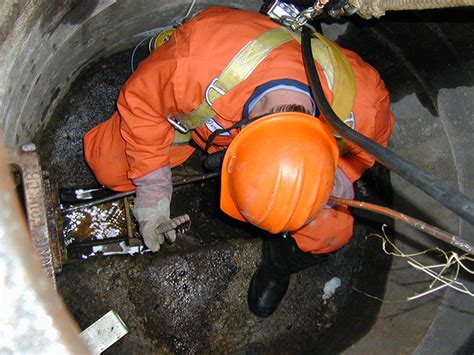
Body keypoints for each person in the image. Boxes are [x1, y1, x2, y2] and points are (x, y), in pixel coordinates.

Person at [83, 6, 395, 317]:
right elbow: (143, 104)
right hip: (197, 119)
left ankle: (279, 264)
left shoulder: (364, 107)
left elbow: (367, 154)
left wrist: (329, 179)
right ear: (241, 136)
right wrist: (152, 185)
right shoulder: (196, 60)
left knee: (331, 230)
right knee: (108, 164)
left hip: (293, 152)